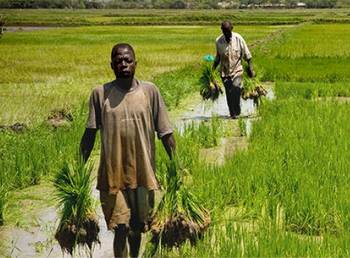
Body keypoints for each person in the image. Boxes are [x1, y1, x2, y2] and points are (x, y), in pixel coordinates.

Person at [80, 43, 175, 257]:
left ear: (135, 63)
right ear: (111, 65)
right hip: (113, 177)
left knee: (137, 227)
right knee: (120, 228)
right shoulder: (100, 94)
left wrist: (175, 165)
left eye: (128, 60)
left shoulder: (150, 91)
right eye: (118, 60)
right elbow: (89, 135)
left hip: (143, 174)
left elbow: (165, 132)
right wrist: (78, 169)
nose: (123, 64)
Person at [213, 20, 255, 119]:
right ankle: (232, 113)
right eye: (224, 31)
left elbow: (248, 56)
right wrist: (212, 71)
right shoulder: (219, 41)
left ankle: (237, 108)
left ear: (232, 29)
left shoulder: (239, 39)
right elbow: (218, 57)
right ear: (222, 30)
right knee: (228, 92)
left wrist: (251, 69)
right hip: (224, 71)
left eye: (228, 31)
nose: (227, 34)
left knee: (235, 87)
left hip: (237, 70)